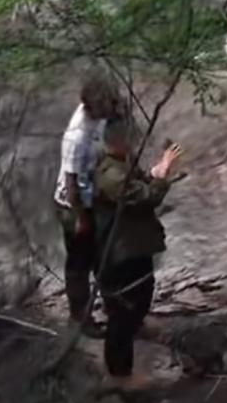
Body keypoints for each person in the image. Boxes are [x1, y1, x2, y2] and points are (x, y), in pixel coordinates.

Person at [92, 111, 183, 379]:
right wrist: (163, 172)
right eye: (132, 137)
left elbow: (140, 182)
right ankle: (120, 375)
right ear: (120, 139)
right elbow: (146, 197)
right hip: (117, 253)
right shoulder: (110, 173)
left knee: (141, 297)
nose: (136, 141)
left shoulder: (122, 162)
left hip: (133, 248)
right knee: (123, 314)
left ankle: (134, 331)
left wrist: (154, 173)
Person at [54, 70, 118, 321]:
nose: (111, 106)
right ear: (93, 105)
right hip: (73, 204)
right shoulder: (76, 136)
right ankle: (80, 317)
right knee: (80, 261)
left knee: (105, 254)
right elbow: (71, 183)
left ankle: (115, 307)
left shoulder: (101, 117)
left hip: (93, 195)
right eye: (107, 102)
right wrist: (81, 218)